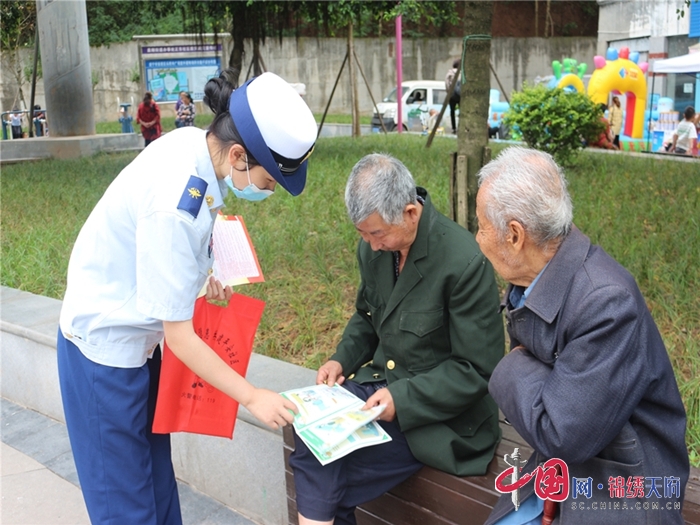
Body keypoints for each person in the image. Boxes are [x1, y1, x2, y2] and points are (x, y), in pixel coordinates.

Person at [57, 70, 318, 525]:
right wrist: (252, 396)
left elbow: (179, 241)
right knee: (127, 509)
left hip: (139, 348)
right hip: (102, 356)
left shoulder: (195, 150)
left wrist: (202, 275)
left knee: (158, 491)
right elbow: (181, 337)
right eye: (269, 180)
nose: (268, 190)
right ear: (238, 154)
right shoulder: (176, 203)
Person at [476, 147, 689, 525]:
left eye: (481, 226)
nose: (477, 238)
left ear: (514, 235)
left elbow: (562, 434)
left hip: (622, 484)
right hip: (568, 469)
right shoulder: (539, 275)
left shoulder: (606, 301)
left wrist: (511, 365)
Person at [290, 153, 505, 525]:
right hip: (378, 388)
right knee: (310, 436)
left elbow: (477, 370)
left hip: (438, 416)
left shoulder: (463, 262)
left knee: (330, 478)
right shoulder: (375, 250)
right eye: (362, 234)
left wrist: (401, 399)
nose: (371, 245)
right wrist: (341, 360)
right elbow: (367, 317)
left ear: (410, 212)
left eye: (377, 234)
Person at [445, 59, 461, 134]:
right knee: (462, 112)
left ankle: (453, 128)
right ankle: (460, 127)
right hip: (460, 95)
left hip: (451, 96)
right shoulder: (461, 73)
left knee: (452, 112)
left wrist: (449, 92)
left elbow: (447, 84)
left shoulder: (449, 73)